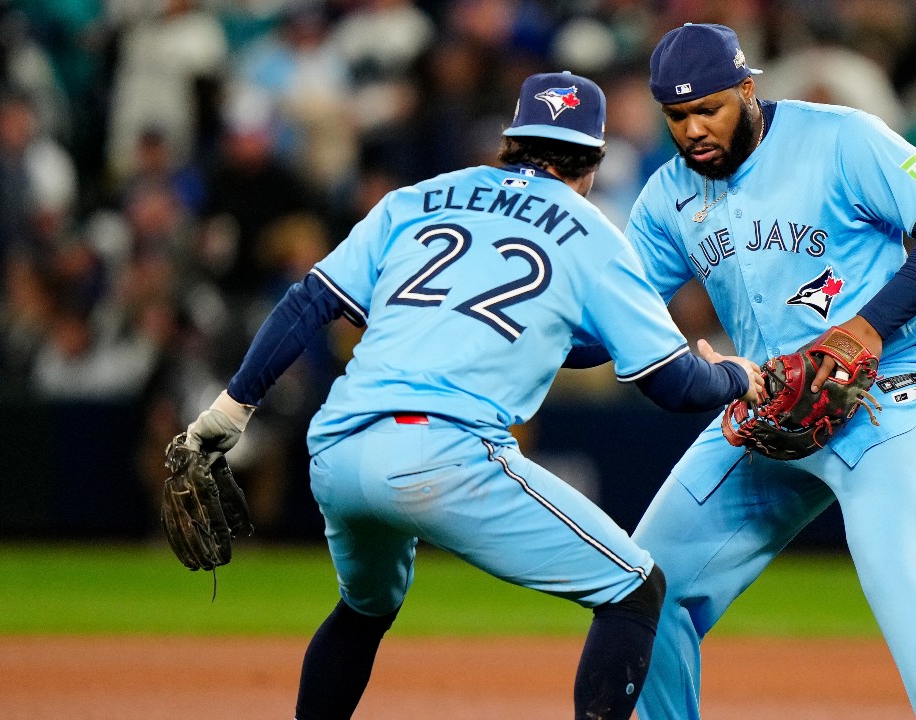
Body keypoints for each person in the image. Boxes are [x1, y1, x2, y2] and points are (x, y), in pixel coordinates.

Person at [177, 70, 762, 720]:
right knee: (635, 588)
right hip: (442, 455)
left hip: (340, 450)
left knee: (364, 609)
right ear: (594, 159)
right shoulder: (592, 231)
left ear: (512, 140)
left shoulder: (421, 197)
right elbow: (675, 386)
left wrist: (231, 409)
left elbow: (307, 301)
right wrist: (735, 374)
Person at [625, 24, 916, 720]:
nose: (695, 129)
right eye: (678, 116)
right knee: (647, 586)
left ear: (747, 89)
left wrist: (866, 325)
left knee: (889, 568)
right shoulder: (667, 198)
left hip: (891, 390)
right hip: (774, 407)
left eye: (711, 108)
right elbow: (606, 322)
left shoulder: (842, 138)